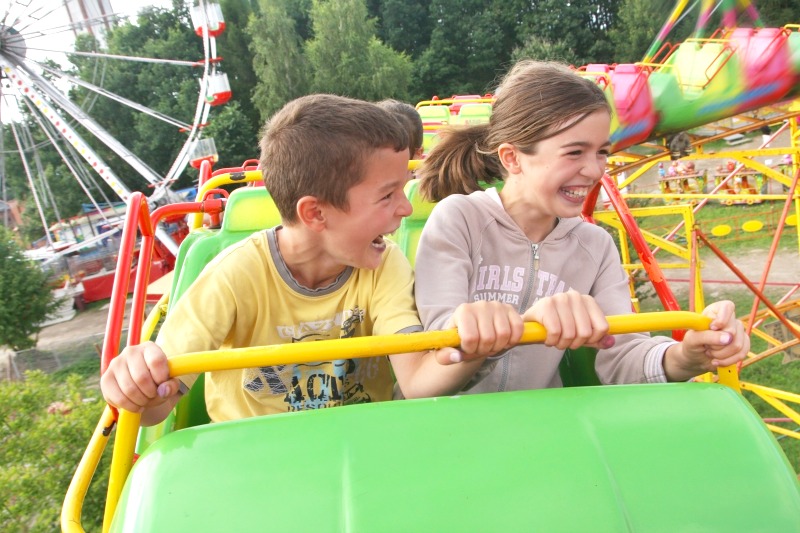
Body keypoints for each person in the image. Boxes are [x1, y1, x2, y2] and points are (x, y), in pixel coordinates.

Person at [101, 94, 455, 424]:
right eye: (388, 195)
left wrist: (469, 342)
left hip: (357, 445)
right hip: (254, 457)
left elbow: (416, 380)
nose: (407, 208)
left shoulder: (384, 265)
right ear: (315, 213)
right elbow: (156, 408)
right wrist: (135, 385)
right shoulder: (234, 275)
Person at [408, 60, 749, 397]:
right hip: (449, 424)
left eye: (602, 152)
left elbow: (622, 355)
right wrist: (530, 322)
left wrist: (685, 357)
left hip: (539, 423)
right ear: (512, 158)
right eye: (574, 153)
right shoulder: (460, 219)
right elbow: (441, 349)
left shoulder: (594, 245)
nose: (594, 170)